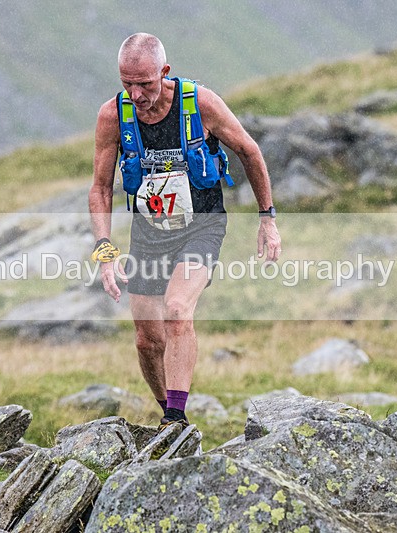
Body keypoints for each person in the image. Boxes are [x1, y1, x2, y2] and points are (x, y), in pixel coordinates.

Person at [89, 33, 281, 429]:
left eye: (145, 83)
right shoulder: (113, 116)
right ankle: (169, 412)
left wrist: (267, 217)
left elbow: (249, 151)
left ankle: (174, 420)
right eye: (127, 84)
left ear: (164, 71)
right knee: (147, 340)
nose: (136, 94)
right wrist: (105, 253)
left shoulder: (201, 104)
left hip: (202, 226)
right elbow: (100, 188)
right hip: (149, 231)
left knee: (177, 311)